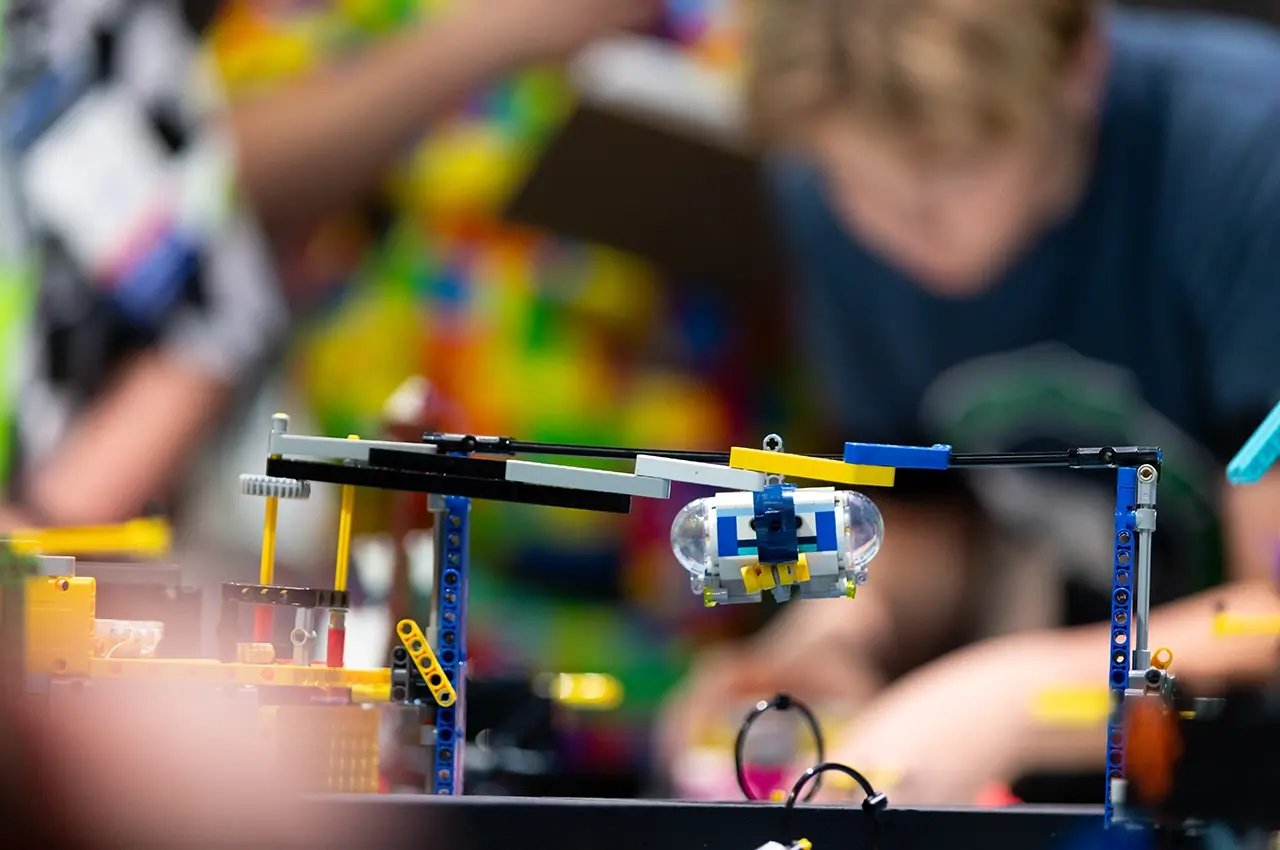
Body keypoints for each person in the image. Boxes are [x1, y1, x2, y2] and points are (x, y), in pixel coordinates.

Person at [660, 0, 1280, 803]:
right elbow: (929, 518)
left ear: (1077, 71)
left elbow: (1268, 615)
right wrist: (839, 629)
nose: (894, 225)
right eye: (850, 179)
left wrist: (1022, 697)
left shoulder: (1246, 162)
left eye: (947, 171)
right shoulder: (830, 180)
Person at [0, 0, 659, 530]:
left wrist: (45, 526)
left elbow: (203, 285)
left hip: (632, 523)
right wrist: (485, 37)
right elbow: (232, 171)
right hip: (379, 496)